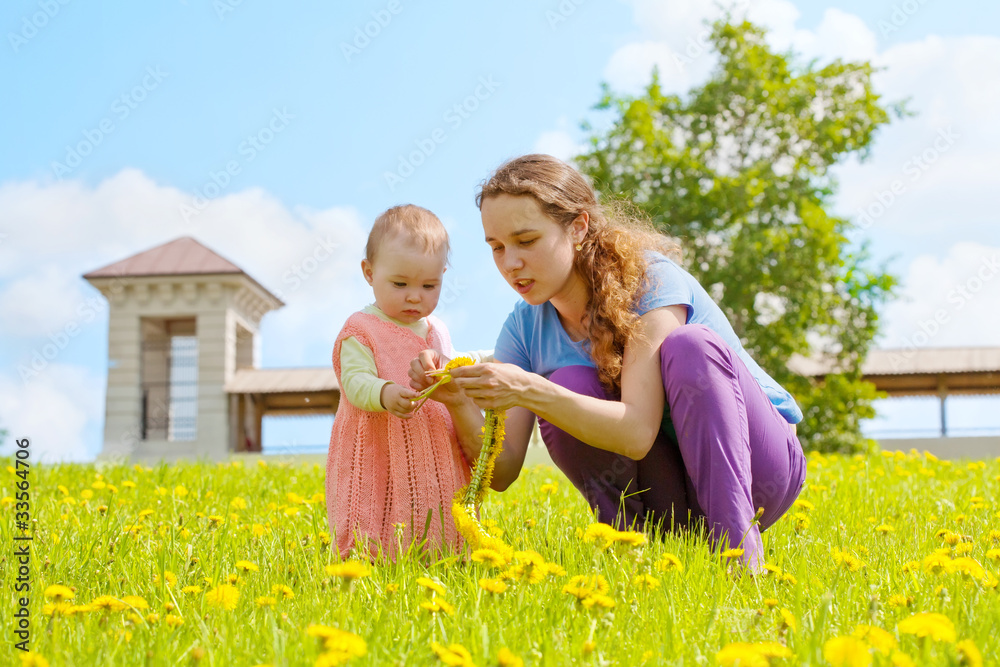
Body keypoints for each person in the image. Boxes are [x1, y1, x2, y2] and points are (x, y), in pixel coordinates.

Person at [409, 154, 806, 570]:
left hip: (758, 471)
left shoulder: (652, 280)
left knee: (690, 346)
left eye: (526, 241)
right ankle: (631, 562)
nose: (511, 263)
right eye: (497, 247)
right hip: (674, 493)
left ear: (578, 227)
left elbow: (636, 432)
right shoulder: (524, 329)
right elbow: (503, 471)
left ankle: (740, 559)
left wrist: (532, 388)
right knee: (569, 382)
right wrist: (456, 401)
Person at [326, 204, 482, 560]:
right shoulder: (361, 329)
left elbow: (453, 366)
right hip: (377, 447)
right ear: (369, 272)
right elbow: (354, 381)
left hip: (435, 447)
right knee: (372, 509)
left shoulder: (437, 329)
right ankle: (368, 569)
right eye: (400, 284)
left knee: (437, 506)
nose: (415, 295)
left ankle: (441, 560)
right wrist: (383, 392)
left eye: (429, 285)